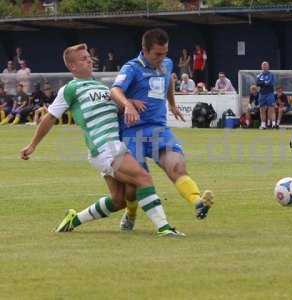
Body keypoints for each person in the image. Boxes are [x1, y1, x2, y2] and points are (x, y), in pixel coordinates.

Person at [20, 43, 183, 237]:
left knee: (118, 200)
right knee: (143, 178)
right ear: (72, 66)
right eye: (83, 59)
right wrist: (33, 145)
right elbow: (50, 117)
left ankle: (74, 219)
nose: (89, 60)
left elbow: (117, 110)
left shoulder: (104, 88)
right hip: (104, 146)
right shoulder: (70, 89)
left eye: (89, 57)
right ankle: (164, 227)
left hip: (114, 145)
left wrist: (129, 104)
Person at [110, 28, 214, 231]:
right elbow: (115, 90)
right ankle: (130, 214)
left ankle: (197, 202)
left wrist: (172, 104)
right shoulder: (131, 68)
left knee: (176, 166)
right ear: (145, 50)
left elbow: (169, 82)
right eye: (157, 54)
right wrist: (128, 105)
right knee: (133, 187)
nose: (162, 58)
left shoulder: (166, 64)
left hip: (158, 130)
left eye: (165, 53)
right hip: (133, 132)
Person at [256, 61, 276, 129]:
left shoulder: (271, 75)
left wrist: (263, 83)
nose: (264, 67)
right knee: (262, 110)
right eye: (263, 66)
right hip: (262, 94)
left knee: (271, 109)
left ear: (268, 67)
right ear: (261, 67)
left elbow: (270, 83)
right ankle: (263, 125)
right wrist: (264, 83)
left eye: (266, 65)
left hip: (270, 93)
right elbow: (257, 83)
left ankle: (273, 124)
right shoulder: (259, 75)